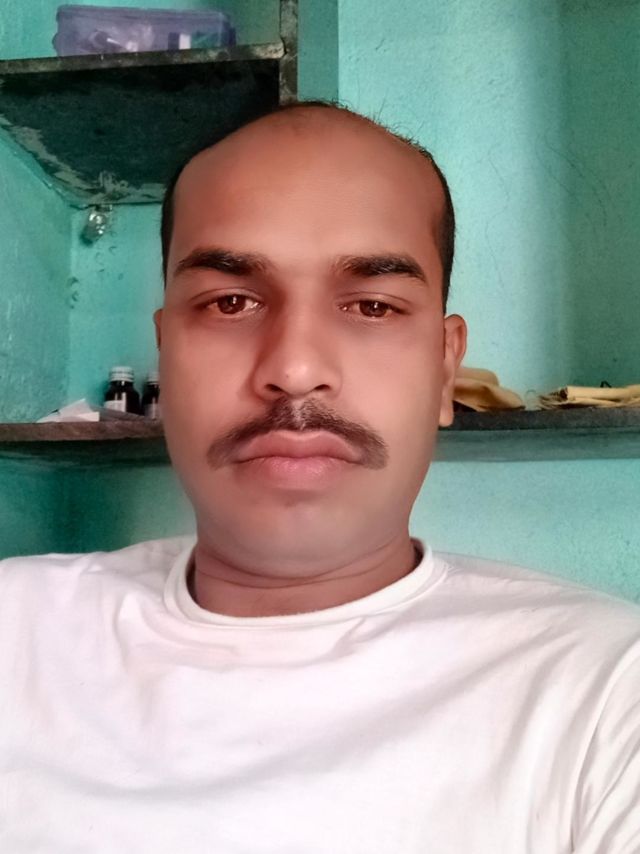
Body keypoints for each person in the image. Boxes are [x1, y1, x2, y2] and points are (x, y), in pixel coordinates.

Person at [1, 101, 638, 853]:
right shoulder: (17, 632)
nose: (295, 368)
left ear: (444, 368)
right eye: (231, 302)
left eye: (372, 305)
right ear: (166, 351)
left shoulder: (606, 693)